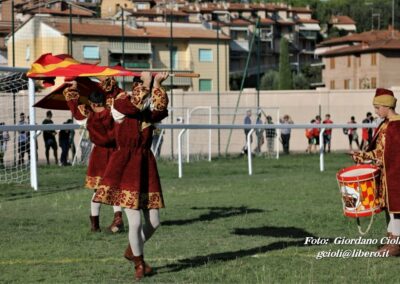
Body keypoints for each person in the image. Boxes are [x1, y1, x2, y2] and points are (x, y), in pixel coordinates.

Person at [93, 72, 169, 280]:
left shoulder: (145, 112)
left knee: (154, 222)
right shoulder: (120, 104)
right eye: (139, 87)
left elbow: (161, 109)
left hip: (145, 166)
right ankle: (139, 262)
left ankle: (132, 251)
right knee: (134, 223)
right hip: (125, 167)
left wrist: (158, 84)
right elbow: (135, 103)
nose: (142, 94)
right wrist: (146, 82)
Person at [63, 77, 124, 233]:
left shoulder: (87, 115)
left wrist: (73, 88)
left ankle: (95, 225)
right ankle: (118, 218)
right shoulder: (113, 111)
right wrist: (109, 84)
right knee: (115, 188)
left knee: (97, 190)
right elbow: (119, 96)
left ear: (91, 103)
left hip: (98, 155)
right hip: (116, 152)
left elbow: (73, 106)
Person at [352, 88, 400, 256]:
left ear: (387, 106)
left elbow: (387, 153)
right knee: (389, 207)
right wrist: (363, 156)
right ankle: (391, 239)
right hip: (387, 174)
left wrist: (364, 156)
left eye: (378, 107)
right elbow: (381, 151)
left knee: (396, 208)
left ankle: (396, 243)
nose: (376, 111)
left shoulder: (395, 125)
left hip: (396, 175)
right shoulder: (385, 124)